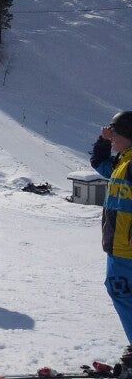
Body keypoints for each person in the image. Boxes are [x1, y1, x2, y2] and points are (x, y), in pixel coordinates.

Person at [91, 110, 132, 371]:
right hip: (117, 246)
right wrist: (104, 141)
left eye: (115, 132)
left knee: (121, 291)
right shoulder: (122, 161)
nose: (111, 135)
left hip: (125, 248)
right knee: (121, 291)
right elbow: (99, 163)